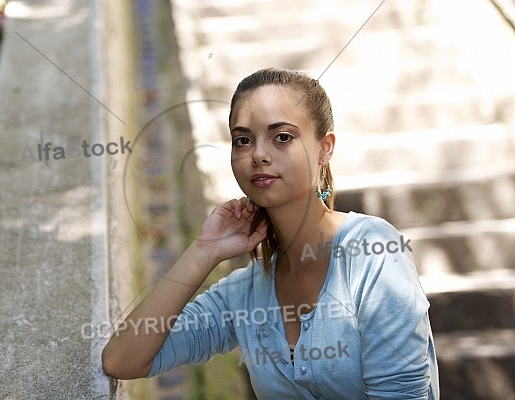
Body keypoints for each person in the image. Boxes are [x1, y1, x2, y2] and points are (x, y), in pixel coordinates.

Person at [102, 68, 440, 399]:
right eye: (243, 140)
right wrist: (204, 251)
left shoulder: (372, 252)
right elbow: (123, 359)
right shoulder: (246, 293)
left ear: (324, 148)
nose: (259, 155)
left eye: (282, 137)